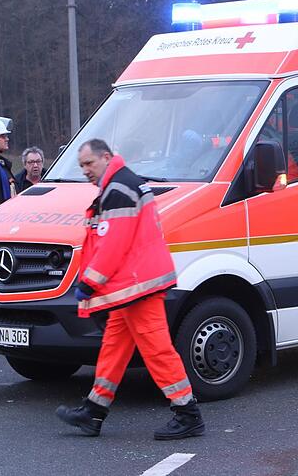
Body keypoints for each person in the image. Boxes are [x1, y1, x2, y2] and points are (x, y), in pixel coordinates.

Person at [56, 139, 205, 440]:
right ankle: (94, 410)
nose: (85, 170)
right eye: (81, 165)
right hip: (133, 285)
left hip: (137, 286)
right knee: (114, 348)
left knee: (156, 349)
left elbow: (114, 243)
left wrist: (89, 283)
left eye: (89, 163)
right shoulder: (122, 184)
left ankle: (187, 413)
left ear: (106, 157)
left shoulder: (119, 189)